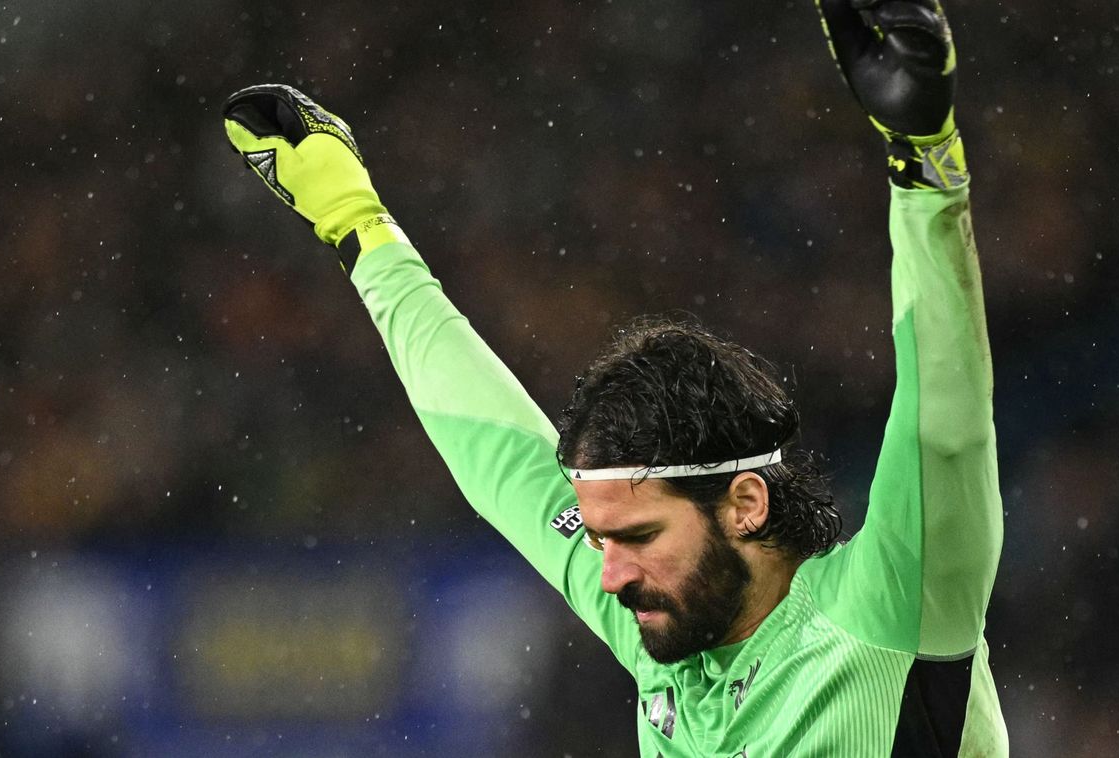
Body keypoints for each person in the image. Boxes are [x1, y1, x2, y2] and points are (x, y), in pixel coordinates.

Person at [220, 0, 1006, 754]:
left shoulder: (894, 606)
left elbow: (945, 416)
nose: (609, 576)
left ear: (744, 502)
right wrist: (357, 225)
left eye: (634, 537)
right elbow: (493, 453)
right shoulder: (664, 614)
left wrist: (924, 168)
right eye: (597, 538)